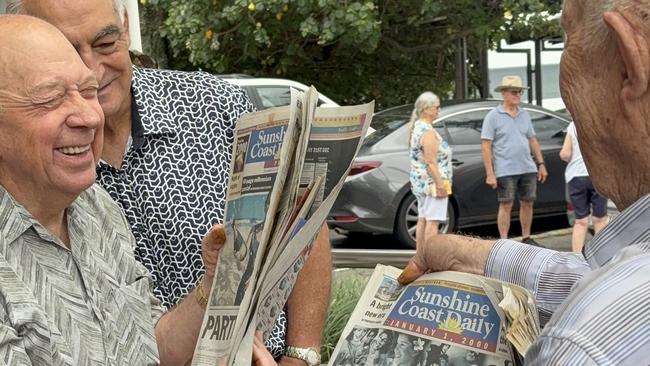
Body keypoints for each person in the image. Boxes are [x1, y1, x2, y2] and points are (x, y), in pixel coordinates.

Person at [7, 0, 332, 362]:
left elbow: (302, 218)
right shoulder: (66, 189)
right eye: (52, 96)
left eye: (105, 44)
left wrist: (299, 355)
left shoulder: (212, 105)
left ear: (126, 27)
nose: (95, 75)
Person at [399, 0, 650, 362]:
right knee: (507, 206)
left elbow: (614, 303)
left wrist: (537, 161)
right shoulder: (492, 117)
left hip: (523, 170)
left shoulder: (585, 345)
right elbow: (593, 281)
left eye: (566, 36)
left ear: (628, 66)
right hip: (505, 172)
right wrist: (474, 255)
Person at [0, 14, 225, 365]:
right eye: (51, 99)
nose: (89, 117)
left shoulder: (96, 206)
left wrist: (213, 284)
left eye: (88, 92)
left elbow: (152, 348)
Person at [481, 76, 548, 245]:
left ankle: (526, 237)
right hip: (505, 168)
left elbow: (532, 140)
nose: (518, 95)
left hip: (527, 167)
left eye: (520, 92)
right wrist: (490, 173)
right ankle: (504, 241)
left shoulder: (524, 114)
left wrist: (541, 164)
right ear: (504, 94)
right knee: (506, 204)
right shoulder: (493, 116)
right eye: (514, 92)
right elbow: (486, 146)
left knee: (528, 203)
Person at [408, 92, 452, 248]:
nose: (439, 110)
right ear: (426, 109)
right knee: (433, 222)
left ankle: (420, 256)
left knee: (423, 218)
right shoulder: (427, 131)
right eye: (437, 107)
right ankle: (429, 258)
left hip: (421, 183)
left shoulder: (418, 127)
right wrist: (440, 184)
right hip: (433, 183)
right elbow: (431, 161)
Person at [559, 121, 609, 253]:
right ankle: (601, 255)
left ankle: (577, 257)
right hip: (597, 176)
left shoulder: (573, 125)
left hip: (576, 177)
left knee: (581, 221)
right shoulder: (600, 123)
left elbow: (565, 154)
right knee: (600, 219)